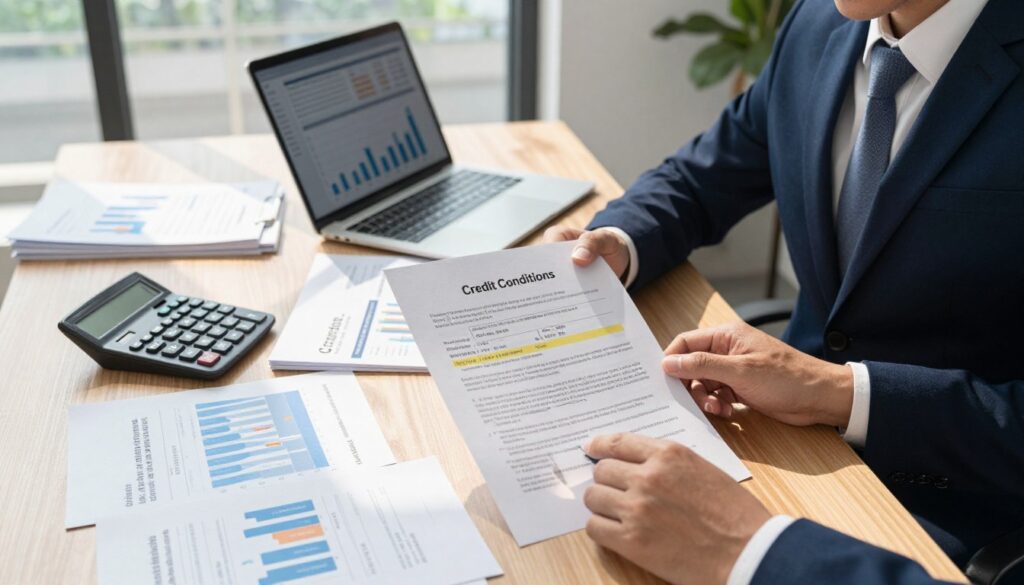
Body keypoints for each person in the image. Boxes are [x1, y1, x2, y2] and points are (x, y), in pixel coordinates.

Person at [543, 0, 1024, 580]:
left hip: (943, 505)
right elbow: (705, 176)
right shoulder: (818, 23)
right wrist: (621, 240)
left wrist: (840, 391)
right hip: (776, 440)